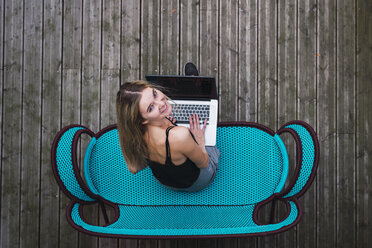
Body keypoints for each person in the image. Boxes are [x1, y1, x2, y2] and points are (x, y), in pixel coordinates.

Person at [116, 63, 220, 192]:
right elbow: (203, 163)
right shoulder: (180, 136)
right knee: (210, 143)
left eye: (154, 94)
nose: (161, 103)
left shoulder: (133, 133)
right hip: (197, 182)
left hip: (166, 183)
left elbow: (133, 168)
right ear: (143, 120)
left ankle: (193, 83)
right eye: (150, 108)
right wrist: (199, 142)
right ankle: (194, 83)